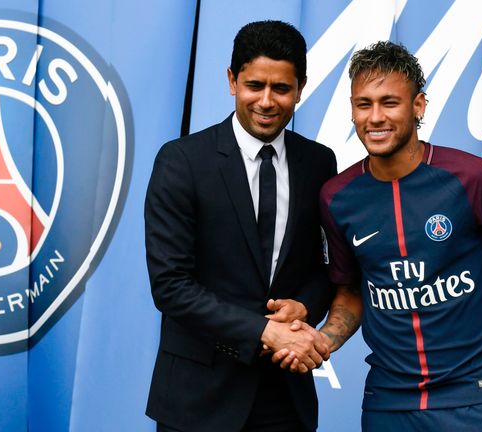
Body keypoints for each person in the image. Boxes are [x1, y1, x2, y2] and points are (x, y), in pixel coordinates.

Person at [276, 41, 482, 431]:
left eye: (389, 102)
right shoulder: (337, 197)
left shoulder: (473, 178)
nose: (375, 117)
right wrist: (323, 340)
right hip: (387, 405)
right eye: (363, 104)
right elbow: (352, 291)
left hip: (476, 399)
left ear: (419, 106)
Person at [144, 20, 337, 432]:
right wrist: (265, 332)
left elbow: (321, 269)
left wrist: (305, 306)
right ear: (232, 80)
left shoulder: (319, 163)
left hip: (285, 398)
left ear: (300, 88)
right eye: (254, 85)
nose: (266, 101)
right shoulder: (181, 161)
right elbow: (170, 285)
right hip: (198, 400)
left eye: (281, 89)